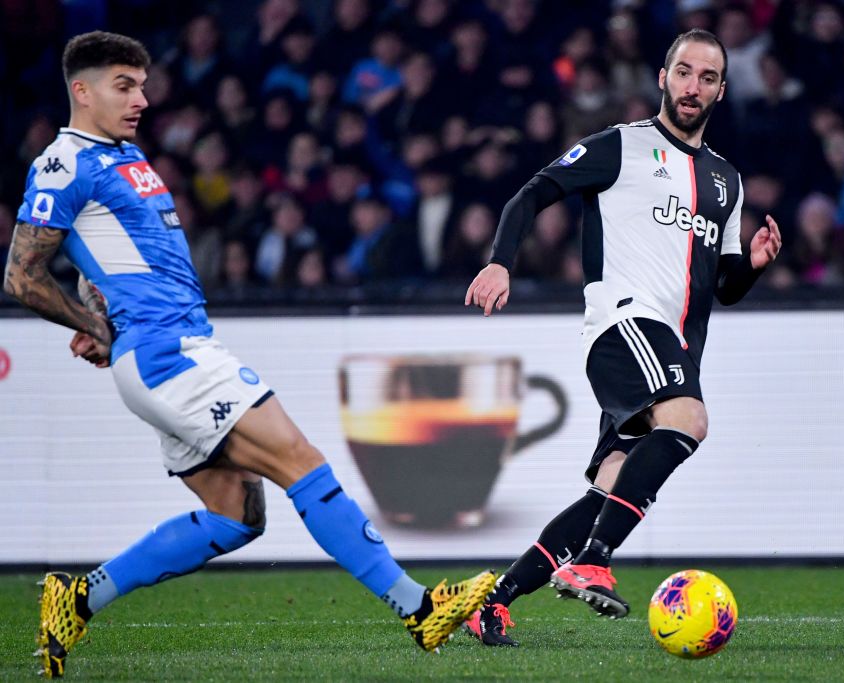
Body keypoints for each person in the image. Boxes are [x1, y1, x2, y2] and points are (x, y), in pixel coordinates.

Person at [3, 32, 493, 679]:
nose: (142, 98)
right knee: (302, 460)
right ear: (81, 90)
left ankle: (80, 596)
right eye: (125, 85)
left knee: (237, 516)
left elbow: (107, 260)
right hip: (168, 354)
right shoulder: (67, 162)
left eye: (144, 85)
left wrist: (102, 316)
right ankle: (419, 607)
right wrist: (98, 321)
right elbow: (22, 275)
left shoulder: (120, 155)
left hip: (166, 348)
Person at [463, 29, 781, 647]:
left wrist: (755, 266)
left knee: (612, 484)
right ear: (662, 78)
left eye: (707, 77)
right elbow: (533, 194)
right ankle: (594, 561)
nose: (693, 86)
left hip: (673, 344)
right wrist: (501, 260)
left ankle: (494, 603)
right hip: (624, 322)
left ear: (721, 89)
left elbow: (724, 286)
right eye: (683, 72)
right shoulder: (620, 147)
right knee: (688, 418)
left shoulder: (725, 182)